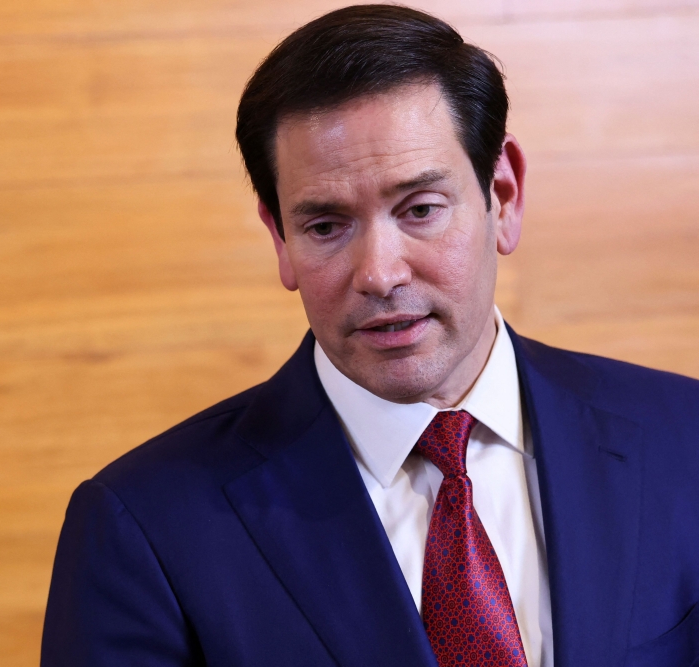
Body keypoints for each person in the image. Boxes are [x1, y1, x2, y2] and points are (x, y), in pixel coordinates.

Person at [40, 5, 699, 666]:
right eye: (326, 226)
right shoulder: (143, 526)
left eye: (420, 209)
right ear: (281, 240)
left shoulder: (685, 439)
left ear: (503, 196)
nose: (379, 274)